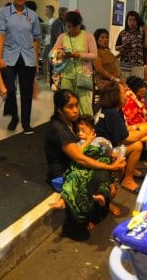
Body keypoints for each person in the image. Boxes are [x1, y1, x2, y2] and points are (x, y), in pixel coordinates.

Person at [44, 89, 126, 240]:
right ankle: (91, 210)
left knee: (104, 172)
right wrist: (110, 167)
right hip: (62, 175)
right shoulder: (59, 129)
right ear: (60, 108)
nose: (75, 110)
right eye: (70, 106)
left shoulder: (71, 122)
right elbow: (80, 159)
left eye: (77, 105)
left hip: (74, 165)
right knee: (100, 174)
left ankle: (104, 201)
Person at [0, 0, 41, 134]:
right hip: (9, 56)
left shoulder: (33, 15)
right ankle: (14, 116)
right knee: (10, 89)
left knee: (26, 91)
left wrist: (36, 60)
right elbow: (0, 36)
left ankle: (25, 122)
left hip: (27, 57)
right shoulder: (3, 13)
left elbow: (36, 40)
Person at [95, 81, 147, 194]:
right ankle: (127, 180)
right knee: (137, 145)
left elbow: (122, 130)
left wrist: (137, 127)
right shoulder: (112, 113)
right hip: (103, 152)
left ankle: (131, 171)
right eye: (124, 92)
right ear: (115, 96)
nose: (127, 95)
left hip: (108, 145)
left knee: (137, 138)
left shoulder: (112, 110)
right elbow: (126, 138)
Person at [51, 11, 97, 115]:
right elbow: (52, 53)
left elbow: (94, 55)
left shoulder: (88, 37)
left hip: (83, 76)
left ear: (79, 24)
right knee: (66, 103)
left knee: (84, 104)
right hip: (66, 75)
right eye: (68, 26)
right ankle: (67, 127)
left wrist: (80, 55)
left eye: (73, 27)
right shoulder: (63, 37)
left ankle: (86, 127)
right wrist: (60, 53)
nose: (71, 29)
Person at [115, 10, 147, 77]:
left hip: (138, 64)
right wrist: (123, 45)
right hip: (124, 64)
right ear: (127, 21)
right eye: (130, 20)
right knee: (125, 85)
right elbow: (116, 47)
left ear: (137, 21)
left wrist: (146, 30)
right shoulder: (122, 33)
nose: (132, 22)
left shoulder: (141, 32)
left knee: (137, 85)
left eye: (134, 20)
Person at [93, 28, 122, 92]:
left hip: (116, 79)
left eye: (106, 37)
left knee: (133, 83)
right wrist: (114, 79)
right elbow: (99, 69)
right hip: (105, 81)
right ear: (97, 40)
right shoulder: (97, 52)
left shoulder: (108, 52)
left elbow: (111, 60)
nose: (105, 40)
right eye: (102, 38)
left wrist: (121, 54)